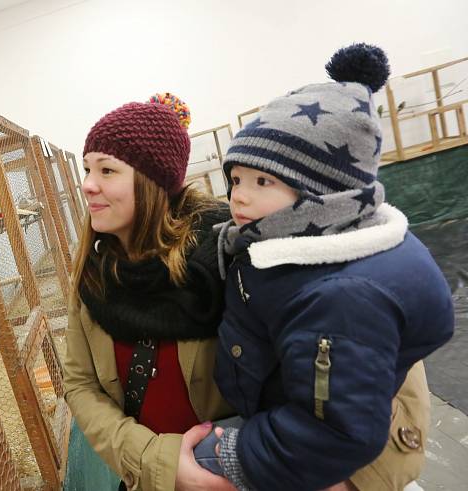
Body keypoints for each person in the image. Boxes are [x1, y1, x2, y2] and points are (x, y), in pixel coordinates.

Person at [64, 89, 435, 491]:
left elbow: (383, 354)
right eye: (86, 170)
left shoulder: (242, 247)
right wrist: (159, 463)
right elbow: (81, 385)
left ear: (153, 181)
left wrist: (353, 479)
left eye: (106, 171)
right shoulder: (95, 274)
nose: (87, 185)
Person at [191, 44, 455, 491]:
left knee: (200, 459)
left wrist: (241, 454)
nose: (238, 196)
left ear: (323, 195)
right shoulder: (291, 240)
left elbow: (338, 431)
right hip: (290, 410)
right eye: (235, 180)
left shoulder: (342, 297)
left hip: (305, 446)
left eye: (263, 181)